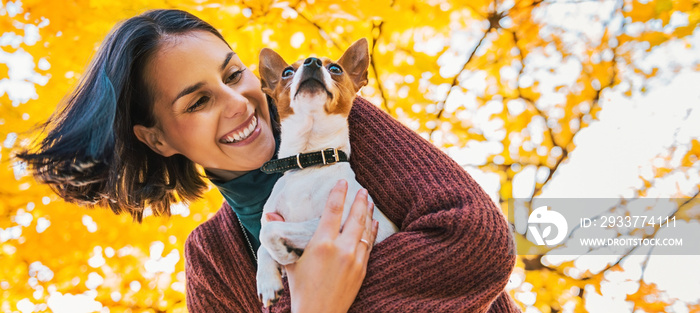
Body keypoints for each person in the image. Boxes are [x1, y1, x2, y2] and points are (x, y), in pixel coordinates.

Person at [18, 9, 521, 313]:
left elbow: (475, 240)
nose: (237, 102)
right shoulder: (212, 262)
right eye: (197, 102)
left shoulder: (340, 122)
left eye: (233, 75)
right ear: (157, 139)